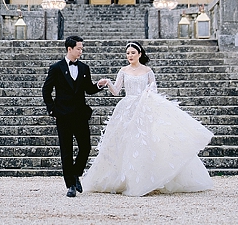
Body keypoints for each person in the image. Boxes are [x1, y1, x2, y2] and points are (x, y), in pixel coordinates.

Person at [80, 41, 213, 196]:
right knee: (125, 143)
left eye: (133, 53)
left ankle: (147, 180)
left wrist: (148, 93)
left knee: (145, 142)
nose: (130, 56)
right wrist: (108, 83)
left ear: (140, 54)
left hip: (143, 109)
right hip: (127, 109)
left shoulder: (147, 70)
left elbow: (153, 90)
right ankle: (126, 179)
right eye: (128, 53)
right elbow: (116, 91)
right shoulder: (123, 70)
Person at [42, 35, 105, 197]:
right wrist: (52, 110)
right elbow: (46, 90)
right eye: (79, 48)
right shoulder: (56, 68)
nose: (81, 51)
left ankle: (76, 174)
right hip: (63, 115)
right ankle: (70, 185)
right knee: (66, 151)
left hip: (80, 115)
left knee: (86, 148)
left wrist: (99, 85)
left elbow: (89, 89)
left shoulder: (84, 68)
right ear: (69, 49)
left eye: (82, 49)